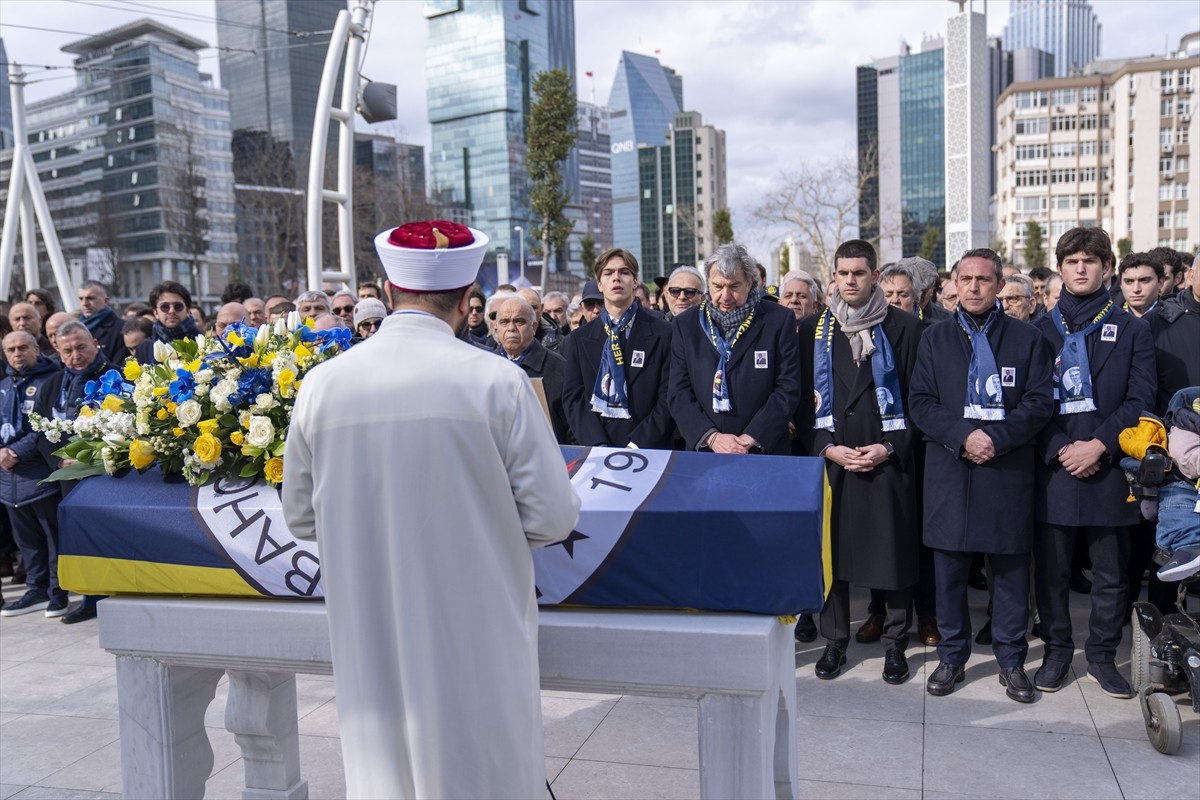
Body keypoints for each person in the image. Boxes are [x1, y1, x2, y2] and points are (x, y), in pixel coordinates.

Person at [283, 219, 579, 798]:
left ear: (389, 293)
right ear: (470, 299)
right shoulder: (499, 381)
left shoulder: (323, 384)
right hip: (476, 626)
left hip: (371, 624)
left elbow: (300, 515)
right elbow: (552, 516)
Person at [908, 249, 1055, 702]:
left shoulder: (1027, 339)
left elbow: (1039, 402)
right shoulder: (933, 340)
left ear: (998, 286)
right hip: (951, 469)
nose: (974, 288)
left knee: (1009, 571)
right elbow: (921, 402)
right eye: (965, 279)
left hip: (1005, 468)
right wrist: (964, 437)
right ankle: (952, 657)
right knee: (949, 570)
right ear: (952, 284)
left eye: (983, 280)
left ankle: (1011, 661)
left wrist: (998, 438)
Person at [1031, 227, 1156, 700]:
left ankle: (1103, 655)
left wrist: (1099, 445)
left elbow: (1140, 399)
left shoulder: (1132, 329)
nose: (1081, 268)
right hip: (1055, 468)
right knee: (1053, 571)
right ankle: (1057, 651)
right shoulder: (1038, 330)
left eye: (1091, 260)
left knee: (1112, 573)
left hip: (1108, 467)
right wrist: (1063, 448)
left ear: (1107, 268)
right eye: (1072, 260)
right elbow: (1029, 403)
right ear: (1059, 268)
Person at [797, 239, 923, 684]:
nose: (850, 280)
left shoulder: (906, 328)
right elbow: (798, 403)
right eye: (843, 272)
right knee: (833, 556)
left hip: (886, 459)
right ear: (833, 275)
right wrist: (826, 446)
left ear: (874, 277)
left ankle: (894, 643)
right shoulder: (811, 329)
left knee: (891, 556)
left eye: (859, 273)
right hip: (833, 460)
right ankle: (834, 642)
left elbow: (920, 399)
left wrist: (889, 446)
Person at [669, 243, 801, 456]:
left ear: (750, 283)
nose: (725, 296)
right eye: (718, 287)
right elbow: (678, 390)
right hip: (705, 452)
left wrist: (753, 436)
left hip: (762, 450)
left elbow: (788, 386)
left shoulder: (778, 320)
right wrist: (712, 437)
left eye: (734, 286)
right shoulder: (686, 325)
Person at [36, 320, 114, 624]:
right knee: (81, 539)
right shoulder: (52, 384)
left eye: (81, 347)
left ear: (95, 343)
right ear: (57, 350)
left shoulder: (116, 375)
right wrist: (61, 461)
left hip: (108, 473)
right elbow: (40, 430)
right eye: (67, 350)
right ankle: (91, 599)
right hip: (69, 476)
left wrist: (94, 459)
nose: (75, 355)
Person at [561, 250, 675, 449]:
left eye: (624, 272)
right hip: (598, 451)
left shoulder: (664, 333)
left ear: (635, 281)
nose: (616, 278)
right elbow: (574, 400)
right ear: (599, 284)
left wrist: (637, 444)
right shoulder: (577, 340)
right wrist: (598, 444)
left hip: (649, 449)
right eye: (608, 273)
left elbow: (668, 396)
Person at [0, 331, 66, 618]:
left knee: (52, 538)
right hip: (8, 479)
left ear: (36, 348)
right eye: (10, 349)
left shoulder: (50, 381)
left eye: (22, 347)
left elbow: (44, 426)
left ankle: (58, 592)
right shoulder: (3, 385)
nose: (17, 353)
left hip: (39, 474)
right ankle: (36, 589)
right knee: (26, 541)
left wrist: (16, 452)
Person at [494, 296, 571, 443]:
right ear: (496, 328)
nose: (511, 328)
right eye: (504, 322)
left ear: (534, 327)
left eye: (519, 321)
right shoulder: (485, 367)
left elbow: (572, 429)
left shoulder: (558, 368)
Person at [134, 282, 200, 365]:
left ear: (187, 310)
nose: (171, 311)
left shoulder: (201, 342)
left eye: (178, 306)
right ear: (155, 312)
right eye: (165, 306)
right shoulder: (144, 348)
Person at [76, 280, 126, 361]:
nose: (84, 303)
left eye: (90, 298)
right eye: (81, 299)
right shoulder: (75, 328)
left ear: (105, 301)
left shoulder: (120, 328)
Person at [1117, 252, 1164, 318]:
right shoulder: (1107, 319)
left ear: (1160, 283)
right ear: (1120, 285)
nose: (1136, 289)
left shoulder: (1179, 322)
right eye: (1129, 281)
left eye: (1144, 280)